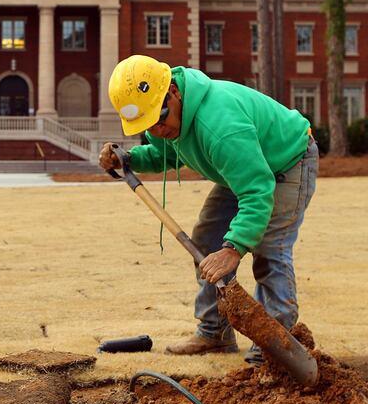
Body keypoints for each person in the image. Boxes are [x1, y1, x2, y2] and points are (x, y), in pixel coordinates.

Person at [99, 55, 318, 364]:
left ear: (173, 91)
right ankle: (214, 333)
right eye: (148, 124)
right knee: (206, 241)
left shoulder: (219, 125)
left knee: (270, 250)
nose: (158, 129)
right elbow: (166, 154)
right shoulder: (167, 118)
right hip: (242, 168)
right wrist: (129, 160)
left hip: (288, 162)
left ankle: (274, 347)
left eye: (160, 119)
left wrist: (234, 247)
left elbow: (257, 190)